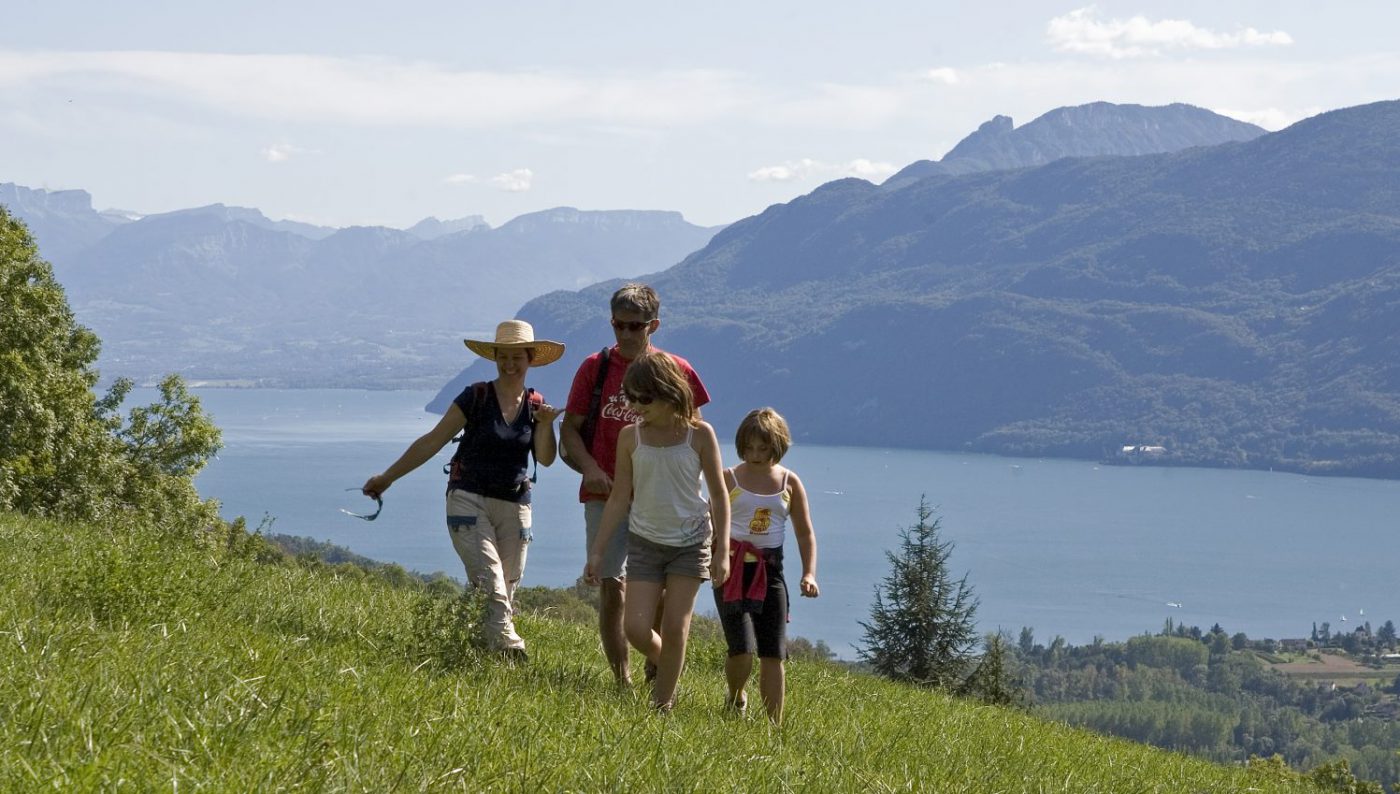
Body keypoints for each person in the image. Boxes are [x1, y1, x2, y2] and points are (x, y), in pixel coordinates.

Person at [361, 320, 563, 661]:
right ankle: (512, 652)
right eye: (504, 356)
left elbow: (545, 458)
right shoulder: (476, 396)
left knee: (506, 587)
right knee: (493, 584)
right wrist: (388, 477)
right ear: (495, 357)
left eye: (517, 357)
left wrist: (545, 426)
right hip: (467, 499)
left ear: (531, 359)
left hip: (516, 504)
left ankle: (474, 651)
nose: (510, 364)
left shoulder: (536, 405)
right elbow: (432, 440)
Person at [560, 283, 710, 686]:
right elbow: (570, 429)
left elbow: (694, 434)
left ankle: (656, 670)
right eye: (618, 325)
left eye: (635, 326)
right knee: (613, 586)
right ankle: (621, 678)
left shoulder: (677, 370)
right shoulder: (596, 368)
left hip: (661, 500)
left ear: (653, 325)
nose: (625, 334)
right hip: (604, 492)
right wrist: (590, 466)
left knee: (659, 589)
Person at [583, 352, 730, 711]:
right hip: (645, 542)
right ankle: (669, 665)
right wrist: (598, 552)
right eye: (630, 397)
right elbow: (619, 496)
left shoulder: (699, 435)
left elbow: (718, 494)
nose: (635, 406)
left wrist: (722, 550)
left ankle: (661, 706)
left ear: (668, 392)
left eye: (643, 398)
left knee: (677, 628)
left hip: (691, 545)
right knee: (635, 629)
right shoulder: (630, 437)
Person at [713, 408, 819, 724]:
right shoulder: (728, 478)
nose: (755, 455)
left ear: (777, 446)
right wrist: (712, 558)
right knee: (742, 649)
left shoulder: (789, 482)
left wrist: (809, 572)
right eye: (750, 448)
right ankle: (735, 697)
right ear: (741, 446)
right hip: (730, 571)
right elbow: (709, 521)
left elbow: (804, 531)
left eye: (763, 448)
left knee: (773, 652)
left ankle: (774, 725)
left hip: (770, 572)